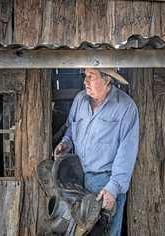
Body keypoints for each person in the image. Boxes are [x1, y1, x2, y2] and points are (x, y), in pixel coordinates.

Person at [54, 68, 139, 236]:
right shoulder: (80, 99)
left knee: (103, 232)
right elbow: (72, 127)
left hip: (105, 183)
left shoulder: (125, 107)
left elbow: (127, 151)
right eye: (85, 76)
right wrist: (66, 143)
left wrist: (113, 188)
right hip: (77, 180)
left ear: (107, 79)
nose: (85, 81)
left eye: (91, 77)